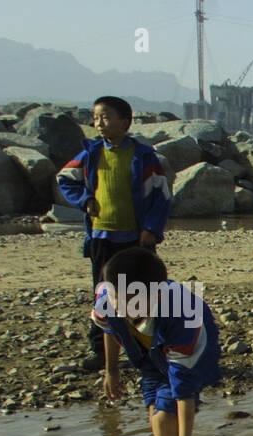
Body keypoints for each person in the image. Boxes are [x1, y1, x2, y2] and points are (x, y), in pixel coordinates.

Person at [57, 95, 171, 373]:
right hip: (102, 237)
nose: (99, 123)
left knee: (143, 291)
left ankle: (148, 346)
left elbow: (162, 196)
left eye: (106, 117)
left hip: (137, 238)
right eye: (96, 118)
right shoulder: (91, 154)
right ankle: (100, 351)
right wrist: (85, 200)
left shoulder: (145, 157)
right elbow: (65, 179)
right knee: (103, 293)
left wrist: (151, 230)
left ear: (125, 122)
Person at [93, 247, 221, 436]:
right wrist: (111, 371)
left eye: (134, 303)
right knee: (161, 422)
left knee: (164, 421)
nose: (124, 310)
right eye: (118, 301)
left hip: (192, 353)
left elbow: (184, 390)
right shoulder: (106, 299)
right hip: (147, 357)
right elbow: (109, 329)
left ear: (158, 295)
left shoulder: (184, 318)